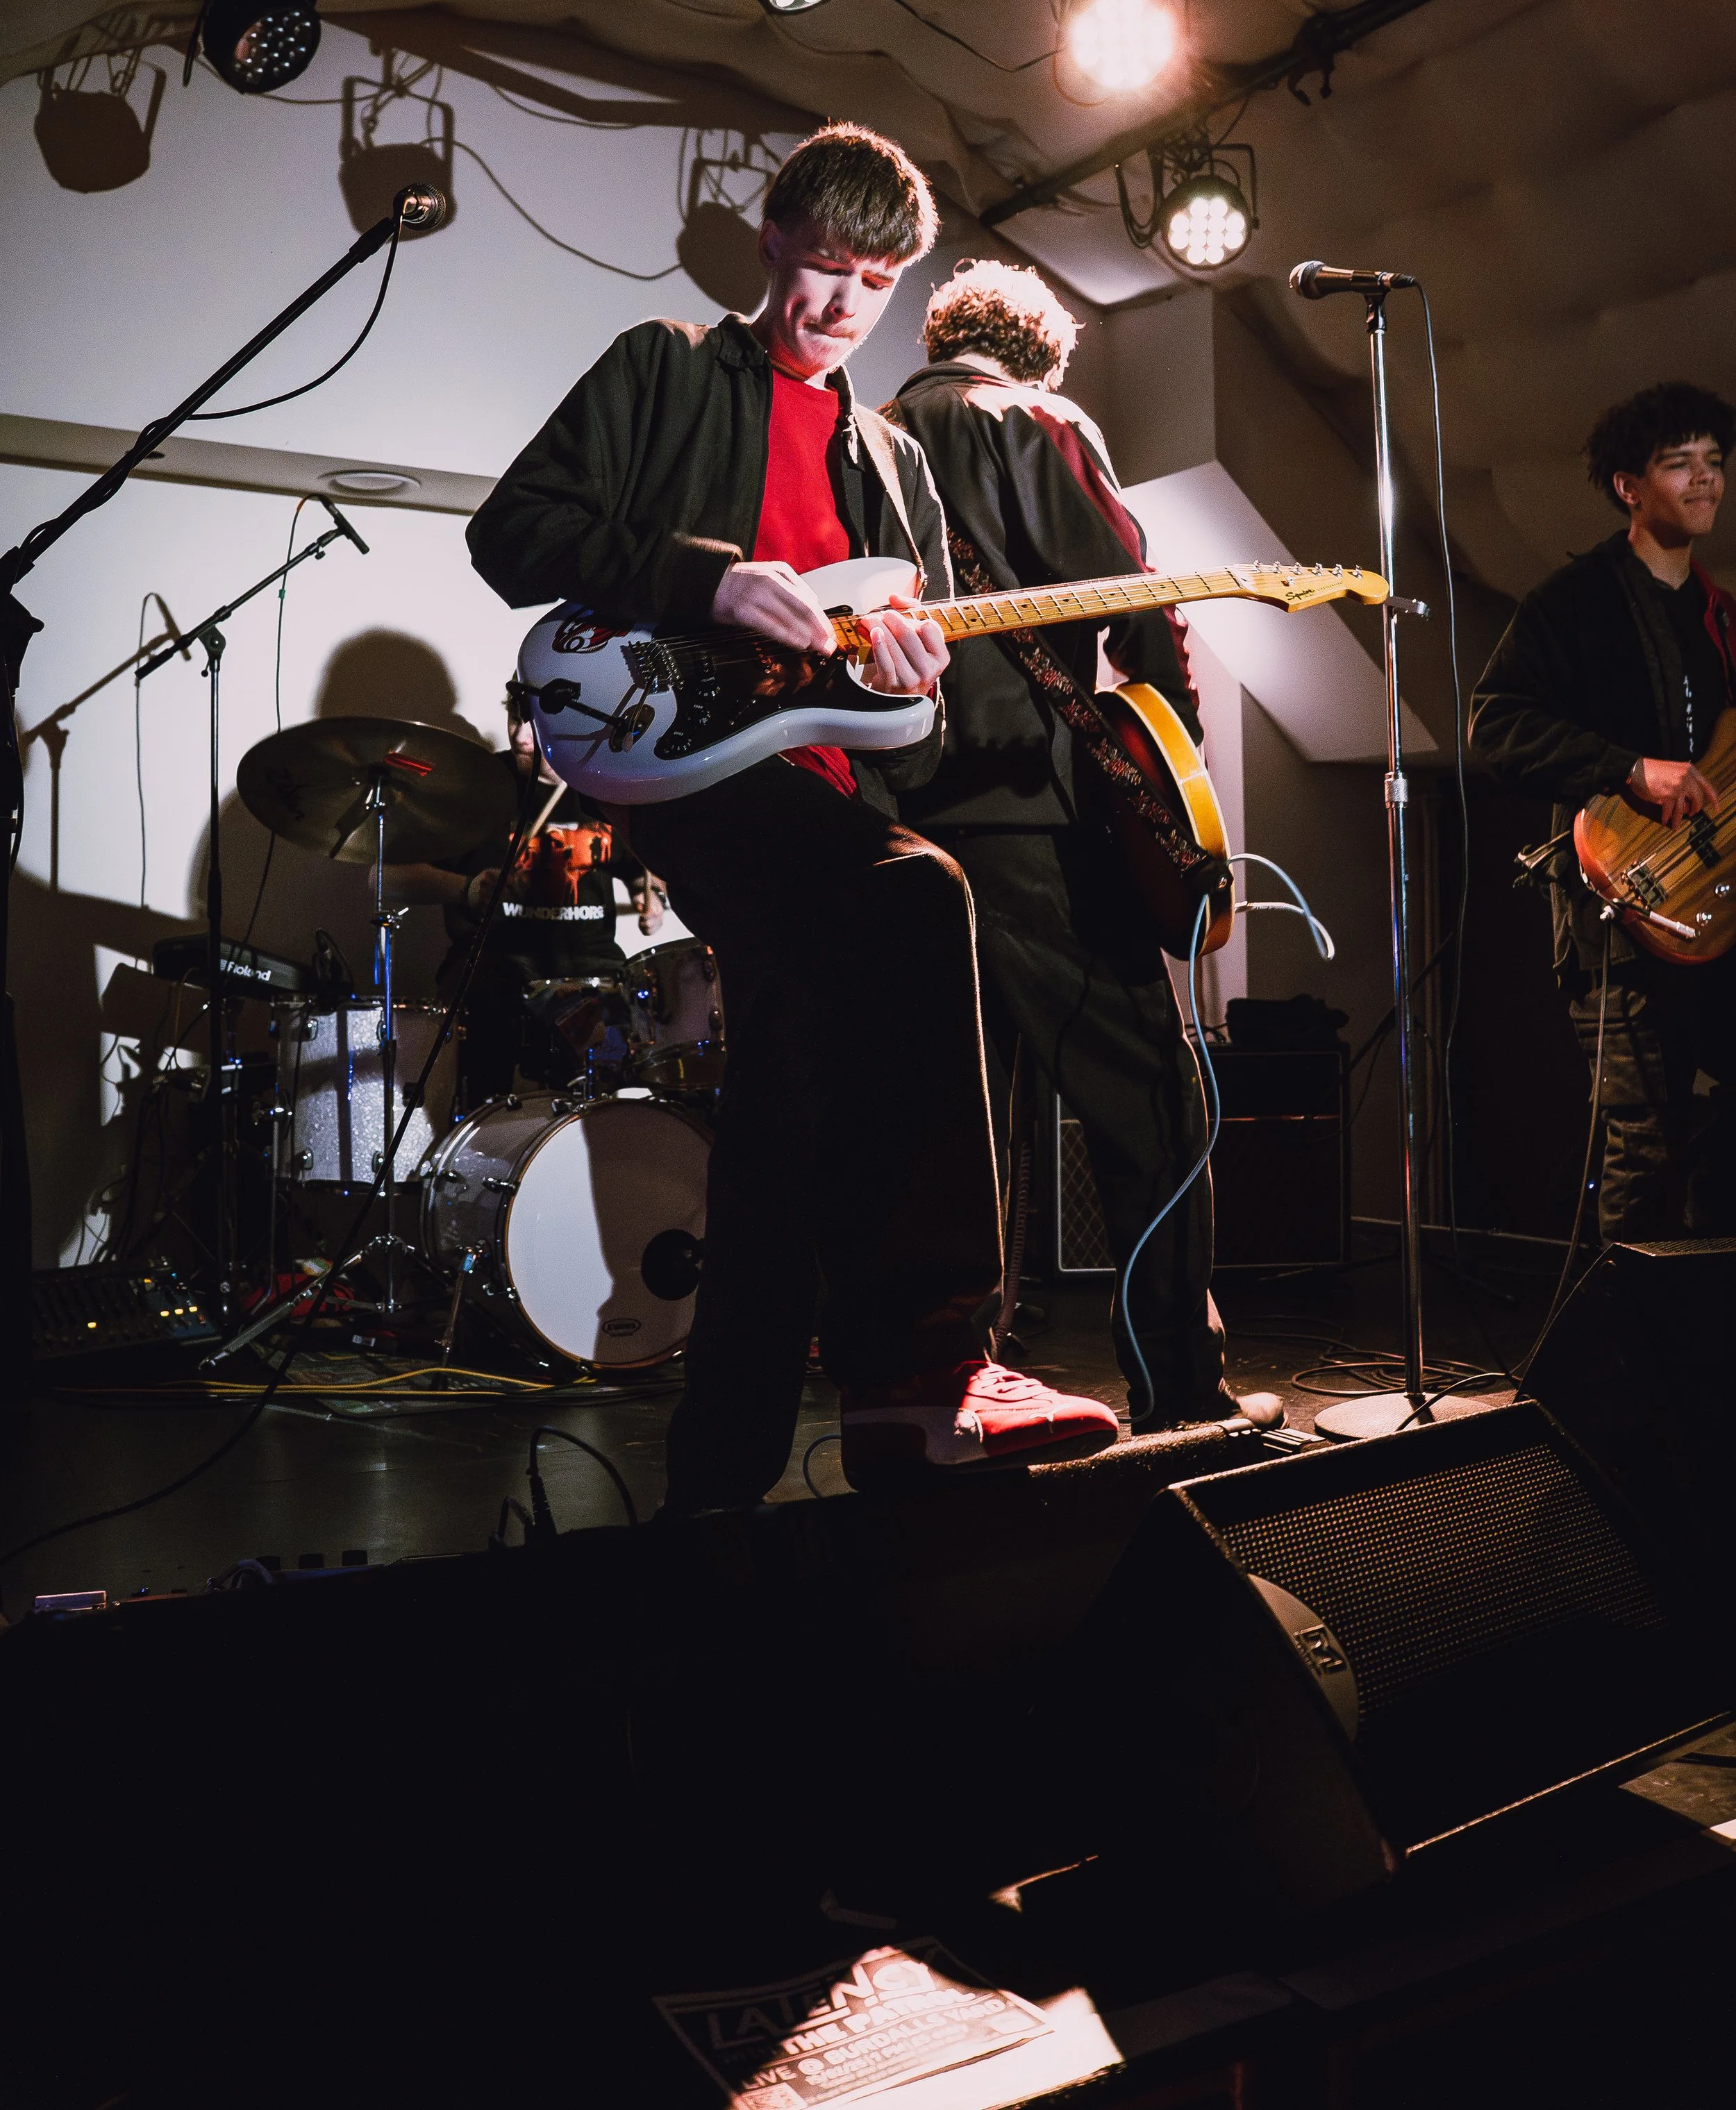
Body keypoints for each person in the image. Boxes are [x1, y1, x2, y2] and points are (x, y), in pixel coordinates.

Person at [467, 125, 1118, 1505]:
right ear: (768, 241)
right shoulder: (665, 368)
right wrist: (700, 579)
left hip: (829, 793)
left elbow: (914, 717)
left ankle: (726, 1473)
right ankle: (928, 1361)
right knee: (918, 891)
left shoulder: (895, 463)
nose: (838, 307)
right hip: (681, 767)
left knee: (789, 1077)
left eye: (873, 283)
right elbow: (509, 533)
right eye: (821, 268)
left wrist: (914, 675)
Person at [886, 257, 1281, 1430]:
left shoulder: (864, 437)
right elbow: (1141, 605)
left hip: (904, 821)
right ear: (1036, 353)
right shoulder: (1036, 418)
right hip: (1040, 817)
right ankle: (1181, 1388)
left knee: (969, 1123)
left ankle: (965, 1386)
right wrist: (1173, 779)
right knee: (1155, 1102)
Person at [1470, 380, 1736, 1239]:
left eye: (1713, 463)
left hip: (1720, 914)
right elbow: (1496, 725)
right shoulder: (1572, 603)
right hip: (1617, 913)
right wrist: (1628, 769)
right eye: (1677, 464)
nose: (1703, 482)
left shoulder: (1721, 617)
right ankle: (1626, 1366)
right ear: (1628, 485)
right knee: (1643, 1139)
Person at [383, 680, 666, 1107]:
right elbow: (386, 878)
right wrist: (467, 888)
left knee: (622, 1078)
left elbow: (647, 874)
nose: (519, 736)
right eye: (516, 717)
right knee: (485, 1017)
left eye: (538, 723)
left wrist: (652, 896)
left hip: (591, 973)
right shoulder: (475, 786)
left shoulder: (607, 789)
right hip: (490, 969)